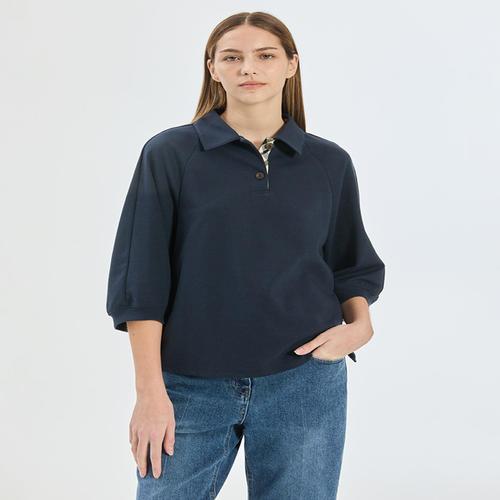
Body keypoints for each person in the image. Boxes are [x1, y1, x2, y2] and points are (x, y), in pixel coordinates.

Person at [106, 11, 385, 500]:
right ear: (213, 68)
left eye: (265, 56)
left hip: (305, 383)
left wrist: (359, 327)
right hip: (189, 385)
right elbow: (141, 282)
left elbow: (350, 264)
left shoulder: (329, 162)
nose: (248, 68)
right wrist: (150, 393)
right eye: (232, 57)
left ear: (291, 65)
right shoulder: (170, 154)